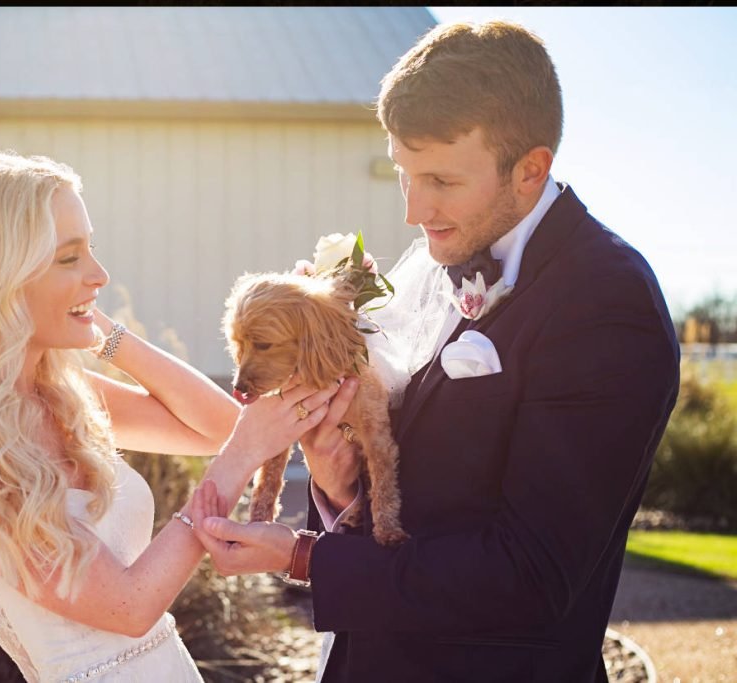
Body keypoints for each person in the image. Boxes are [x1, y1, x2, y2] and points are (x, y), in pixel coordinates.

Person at [191, 20, 681, 682]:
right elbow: (415, 480)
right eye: (404, 175)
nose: (414, 211)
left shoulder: (607, 301)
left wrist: (303, 557)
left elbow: (531, 573)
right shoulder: (429, 262)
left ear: (531, 170)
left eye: (442, 180)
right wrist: (339, 487)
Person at [0, 151, 338, 682]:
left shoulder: (61, 395)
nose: (100, 274)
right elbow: (129, 607)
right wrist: (242, 458)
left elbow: (219, 428)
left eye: (92, 249)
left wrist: (102, 333)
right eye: (69, 258)